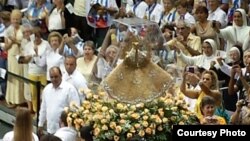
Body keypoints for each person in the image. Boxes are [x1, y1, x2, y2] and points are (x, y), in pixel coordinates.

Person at [38, 66, 80, 135]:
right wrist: (40, 124)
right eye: (52, 77)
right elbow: (43, 108)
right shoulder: (47, 89)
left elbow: (75, 109)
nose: (54, 79)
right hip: (50, 129)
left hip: (64, 131)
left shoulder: (69, 89)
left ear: (61, 75)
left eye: (56, 76)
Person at [4, 9, 25, 108]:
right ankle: (12, 99)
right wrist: (12, 42)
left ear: (20, 19)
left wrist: (16, 40)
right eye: (13, 19)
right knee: (12, 77)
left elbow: (25, 44)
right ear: (11, 20)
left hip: (20, 56)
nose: (15, 21)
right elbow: (4, 47)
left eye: (17, 19)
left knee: (20, 77)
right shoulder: (7, 30)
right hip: (11, 56)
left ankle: (20, 100)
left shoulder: (24, 29)